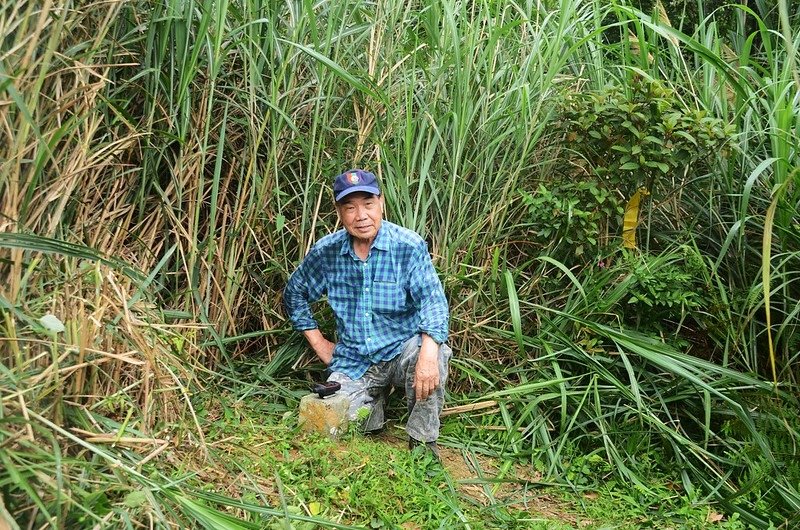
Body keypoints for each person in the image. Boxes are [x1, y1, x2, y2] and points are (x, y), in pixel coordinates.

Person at [284, 168, 451, 458]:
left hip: (402, 352)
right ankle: (373, 413)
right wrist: (319, 342)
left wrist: (427, 354)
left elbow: (433, 302)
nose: (361, 215)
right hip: (354, 360)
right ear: (339, 211)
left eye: (368, 204)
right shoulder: (327, 252)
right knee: (326, 424)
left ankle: (422, 445)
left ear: (381, 203)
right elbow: (294, 293)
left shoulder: (408, 246)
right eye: (350, 207)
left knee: (435, 354)